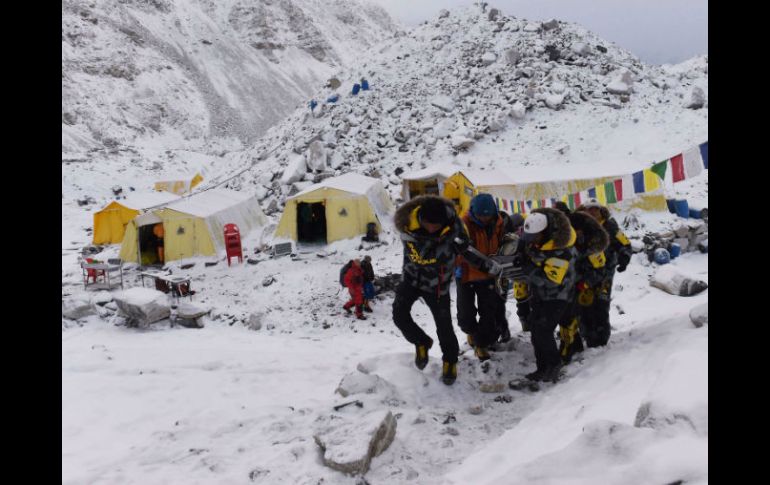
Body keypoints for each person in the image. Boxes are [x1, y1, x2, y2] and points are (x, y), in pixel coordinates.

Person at [393, 195, 502, 385]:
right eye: (429, 224)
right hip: (411, 279)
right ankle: (421, 342)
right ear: (420, 219)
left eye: (437, 225)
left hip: (437, 285)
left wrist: (489, 267)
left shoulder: (455, 231)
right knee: (399, 315)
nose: (432, 228)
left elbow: (469, 253)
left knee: (444, 327)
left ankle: (450, 362)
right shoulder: (406, 225)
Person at [518, 208, 577, 383]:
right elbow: (533, 253)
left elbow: (550, 280)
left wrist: (528, 269)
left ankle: (554, 364)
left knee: (543, 330)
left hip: (558, 295)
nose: (532, 241)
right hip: (539, 294)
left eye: (534, 237)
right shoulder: (538, 240)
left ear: (545, 232)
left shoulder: (562, 250)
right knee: (535, 330)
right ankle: (542, 368)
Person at [553, 202, 609, 363]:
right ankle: (574, 344)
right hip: (567, 281)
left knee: (591, 313)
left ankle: (597, 346)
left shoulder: (586, 238)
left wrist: (584, 283)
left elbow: (600, 268)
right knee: (567, 315)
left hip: (586, 281)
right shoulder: (556, 235)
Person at [456, 194, 507, 361]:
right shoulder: (462, 225)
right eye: (481, 215)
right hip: (466, 275)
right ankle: (472, 333)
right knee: (465, 317)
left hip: (489, 276)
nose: (484, 219)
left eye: (488, 215)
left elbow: (503, 243)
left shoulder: (498, 223)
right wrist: (481, 264)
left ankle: (481, 345)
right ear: (473, 212)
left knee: (489, 314)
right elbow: (458, 251)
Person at [575, 199, 632, 347]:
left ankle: (601, 339)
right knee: (584, 304)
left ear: (601, 211)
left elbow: (624, 243)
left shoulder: (609, 225)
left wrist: (624, 258)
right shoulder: (580, 225)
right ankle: (586, 334)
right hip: (585, 272)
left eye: (595, 209)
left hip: (605, 272)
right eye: (589, 209)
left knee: (601, 303)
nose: (592, 212)